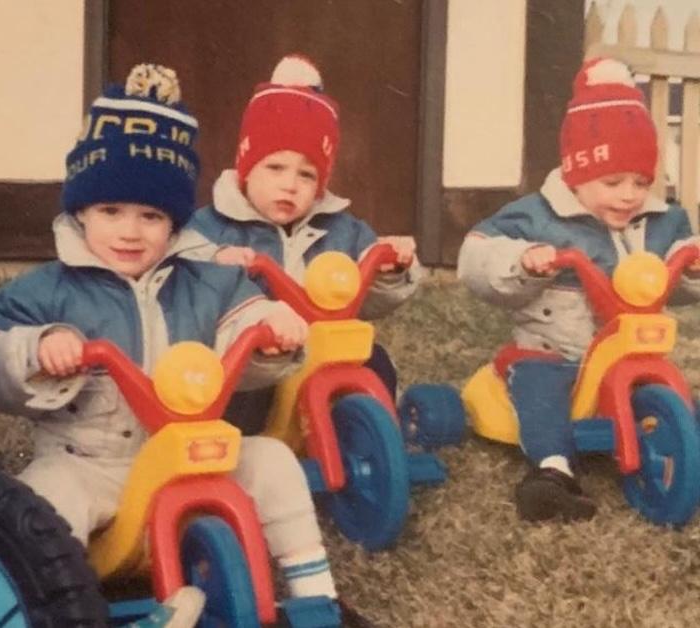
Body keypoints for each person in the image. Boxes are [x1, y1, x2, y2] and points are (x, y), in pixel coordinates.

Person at [0, 63, 369, 626]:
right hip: (92, 465)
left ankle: (314, 595)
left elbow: (243, 313)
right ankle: (51, 606)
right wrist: (36, 348)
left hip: (191, 457)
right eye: (111, 212)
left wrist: (274, 331)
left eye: (151, 216)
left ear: (174, 224)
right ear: (80, 212)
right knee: (44, 503)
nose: (130, 231)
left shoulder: (204, 280)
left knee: (271, 459)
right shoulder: (47, 290)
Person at [458, 57, 700, 522]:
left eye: (641, 181)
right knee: (542, 385)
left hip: (631, 354)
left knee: (673, 383)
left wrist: (691, 263)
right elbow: (477, 253)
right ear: (575, 172)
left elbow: (682, 261)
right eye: (613, 182)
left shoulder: (660, 219)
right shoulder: (538, 215)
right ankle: (553, 472)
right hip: (555, 351)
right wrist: (525, 261)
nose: (629, 195)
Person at [182, 54, 422, 433]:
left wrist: (391, 267)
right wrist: (215, 259)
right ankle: (245, 445)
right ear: (246, 167)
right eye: (274, 168)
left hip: (323, 349)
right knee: (241, 383)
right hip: (263, 354)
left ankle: (376, 436)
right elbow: (179, 260)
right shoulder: (214, 226)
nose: (290, 185)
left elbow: (372, 293)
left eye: (307, 175)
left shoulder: (342, 230)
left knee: (373, 361)